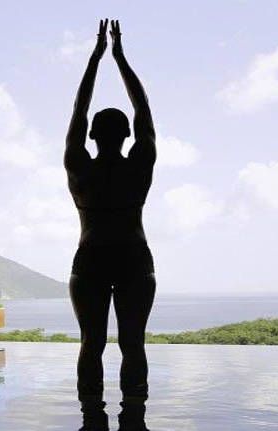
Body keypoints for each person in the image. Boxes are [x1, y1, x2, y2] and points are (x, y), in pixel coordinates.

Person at [65, 18, 156, 431]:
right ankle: (134, 417)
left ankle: (90, 417)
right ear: (126, 135)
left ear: (93, 135)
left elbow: (77, 110)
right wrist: (120, 58)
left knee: (92, 344)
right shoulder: (139, 165)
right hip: (135, 259)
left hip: (91, 260)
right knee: (133, 343)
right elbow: (144, 109)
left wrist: (95, 58)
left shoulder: (78, 166)